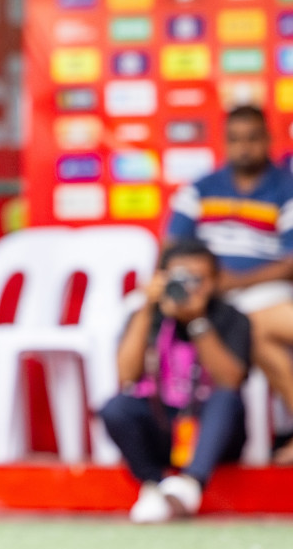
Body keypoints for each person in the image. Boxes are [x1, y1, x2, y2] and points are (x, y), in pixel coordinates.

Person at [165, 105, 293, 465]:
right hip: (208, 297)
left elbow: (290, 263)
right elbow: (173, 250)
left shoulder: (285, 187)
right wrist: (206, 284)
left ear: (267, 139)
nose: (244, 148)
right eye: (236, 140)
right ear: (225, 142)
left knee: (260, 330)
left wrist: (235, 282)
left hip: (264, 291)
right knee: (259, 334)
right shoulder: (201, 188)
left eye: (253, 139)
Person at [100, 240, 250, 523]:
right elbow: (125, 376)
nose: (189, 287)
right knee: (116, 407)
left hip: (212, 433)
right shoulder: (148, 315)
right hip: (164, 422)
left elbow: (230, 380)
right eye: (180, 277)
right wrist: (146, 308)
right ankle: (155, 488)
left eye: (198, 279)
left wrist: (197, 321)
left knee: (225, 398)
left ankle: (190, 486)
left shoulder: (231, 317)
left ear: (216, 281)